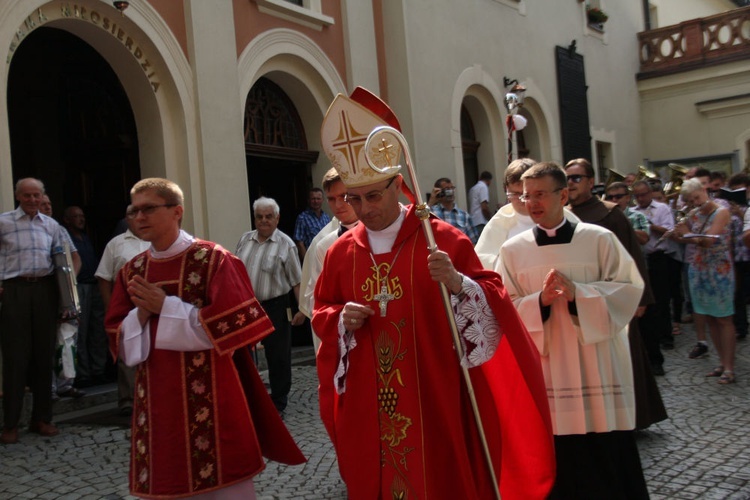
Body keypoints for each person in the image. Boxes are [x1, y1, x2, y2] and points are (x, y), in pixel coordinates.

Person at [315, 90, 554, 499]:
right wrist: (341, 318)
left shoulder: (438, 239)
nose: (364, 208)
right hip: (369, 399)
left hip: (433, 391)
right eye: (354, 199)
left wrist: (459, 284)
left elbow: (493, 300)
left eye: (373, 195)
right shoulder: (341, 251)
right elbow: (323, 310)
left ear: (397, 186)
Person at [104, 178, 304, 498]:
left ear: (176, 211)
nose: (139, 217)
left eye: (148, 208)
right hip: (156, 397)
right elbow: (123, 345)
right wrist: (142, 314)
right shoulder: (133, 271)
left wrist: (165, 307)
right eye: (133, 210)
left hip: (211, 391)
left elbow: (231, 328)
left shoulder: (213, 260)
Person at [499, 162, 649, 498]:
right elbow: (504, 308)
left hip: (596, 365)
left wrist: (579, 293)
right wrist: (540, 301)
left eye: (540, 194)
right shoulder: (513, 250)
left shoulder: (599, 240)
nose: (532, 202)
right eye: (526, 196)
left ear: (563, 195)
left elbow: (627, 289)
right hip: (548, 367)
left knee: (604, 452)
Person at [565, 158, 667, 428]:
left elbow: (632, 257)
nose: (571, 183)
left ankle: (634, 416)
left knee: (624, 355)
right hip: (578, 298)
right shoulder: (561, 213)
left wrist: (639, 298)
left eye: (576, 178)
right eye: (567, 178)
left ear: (590, 181)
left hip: (612, 294)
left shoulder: (610, 214)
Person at [0, 178, 81, 444]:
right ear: (17, 196)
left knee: (44, 356)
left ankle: (42, 419)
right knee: (15, 357)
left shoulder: (52, 226)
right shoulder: (4, 222)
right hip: (14, 289)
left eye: (37, 195)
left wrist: (66, 299)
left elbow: (66, 261)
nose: (32, 200)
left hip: (45, 291)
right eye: (27, 195)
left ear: (42, 196)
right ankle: (10, 424)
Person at [236, 197, 306, 413]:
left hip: (276, 306)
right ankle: (249, 397)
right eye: (259, 217)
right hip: (247, 307)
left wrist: (302, 309)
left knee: (278, 356)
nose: (264, 221)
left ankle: (278, 401)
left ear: (277, 218)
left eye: (268, 217)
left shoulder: (286, 244)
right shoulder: (245, 240)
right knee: (243, 354)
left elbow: (297, 281)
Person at [669, 179, 737, 384]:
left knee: (724, 318)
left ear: (704, 191)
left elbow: (709, 240)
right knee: (709, 318)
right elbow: (686, 237)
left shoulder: (721, 211)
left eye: (697, 198)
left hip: (719, 270)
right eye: (690, 201)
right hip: (699, 269)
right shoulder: (695, 214)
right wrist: (677, 233)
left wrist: (686, 236)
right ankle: (721, 362)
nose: (695, 203)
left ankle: (730, 368)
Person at [475, 158, 581, 271]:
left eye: (529, 194)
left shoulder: (563, 217)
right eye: (515, 194)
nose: (523, 200)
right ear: (507, 190)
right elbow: (482, 263)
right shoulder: (500, 222)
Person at [95, 205, 150, 416]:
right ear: (126, 219)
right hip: (125, 303)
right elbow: (103, 277)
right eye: (132, 214)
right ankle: (128, 400)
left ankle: (153, 395)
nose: (138, 218)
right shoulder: (115, 245)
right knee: (128, 350)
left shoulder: (157, 240)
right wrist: (110, 308)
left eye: (141, 213)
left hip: (153, 301)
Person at [298, 168, 359, 352]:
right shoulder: (324, 244)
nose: (339, 204)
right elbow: (313, 300)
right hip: (345, 336)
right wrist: (340, 316)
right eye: (332, 199)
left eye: (345, 196)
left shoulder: (381, 231)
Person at [39, 196, 85, 400]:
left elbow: (75, 257)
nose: (48, 206)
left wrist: (69, 281)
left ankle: (66, 384)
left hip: (65, 292)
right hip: (42, 291)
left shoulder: (60, 229)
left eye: (49, 203)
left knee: (67, 337)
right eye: (43, 204)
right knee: (45, 340)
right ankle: (48, 388)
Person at [631, 179, 678, 359]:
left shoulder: (662, 208)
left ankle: (666, 336)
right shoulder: (632, 211)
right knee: (644, 301)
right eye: (637, 196)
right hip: (639, 258)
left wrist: (648, 223)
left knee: (661, 297)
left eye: (643, 195)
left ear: (650, 193)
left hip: (658, 256)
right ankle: (650, 337)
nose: (640, 199)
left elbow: (669, 231)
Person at [63, 206, 109, 387]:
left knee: (97, 330)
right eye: (76, 216)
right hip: (79, 286)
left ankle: (99, 370)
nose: (81, 219)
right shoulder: (67, 238)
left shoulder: (86, 237)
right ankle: (82, 373)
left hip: (94, 285)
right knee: (80, 331)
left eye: (82, 216)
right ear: (67, 219)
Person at [428, 177, 479, 244]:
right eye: (447, 189)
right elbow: (419, 221)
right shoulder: (431, 213)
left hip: (459, 252)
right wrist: (431, 201)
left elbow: (473, 241)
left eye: (452, 188)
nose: (450, 192)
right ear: (438, 192)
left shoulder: (464, 216)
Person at [293, 188, 330, 261]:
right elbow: (299, 243)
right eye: (313, 199)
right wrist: (307, 262)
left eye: (318, 198)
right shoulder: (302, 218)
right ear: (308, 200)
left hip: (327, 257)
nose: (316, 201)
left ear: (322, 200)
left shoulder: (326, 217)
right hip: (313, 259)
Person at [468, 170, 493, 236]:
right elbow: (484, 207)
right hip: (480, 221)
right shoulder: (483, 187)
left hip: (473, 220)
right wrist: (490, 219)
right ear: (489, 181)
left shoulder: (473, 188)